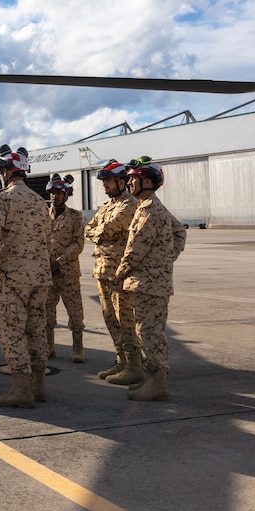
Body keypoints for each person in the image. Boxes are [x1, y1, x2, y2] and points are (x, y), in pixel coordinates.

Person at [0, 145, 52, 407]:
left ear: (8, 171)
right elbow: (48, 238)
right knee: (36, 329)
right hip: (40, 277)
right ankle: (39, 386)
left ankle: (22, 390)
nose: (0, 174)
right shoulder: (38, 201)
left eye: (1, 170)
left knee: (12, 330)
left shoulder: (2, 199)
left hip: (14, 277)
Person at [116, 157, 186, 401]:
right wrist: (165, 259)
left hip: (149, 283)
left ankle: (157, 385)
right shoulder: (147, 206)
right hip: (150, 281)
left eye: (134, 178)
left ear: (147, 181)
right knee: (147, 329)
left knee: (149, 332)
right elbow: (178, 232)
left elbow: (135, 248)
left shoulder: (149, 210)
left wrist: (120, 272)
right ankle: (153, 381)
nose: (130, 182)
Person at [84, 160, 142, 385]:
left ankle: (135, 366)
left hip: (120, 273)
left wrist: (99, 232)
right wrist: (99, 232)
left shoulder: (130, 205)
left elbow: (108, 228)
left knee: (125, 320)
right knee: (110, 319)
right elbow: (90, 229)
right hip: (102, 271)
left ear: (121, 181)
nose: (104, 185)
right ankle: (122, 361)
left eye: (107, 181)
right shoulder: (107, 205)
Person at [45, 173, 86, 363]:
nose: (54, 196)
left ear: (66, 195)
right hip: (47, 273)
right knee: (46, 311)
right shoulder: (43, 215)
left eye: (58, 193)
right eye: (52, 192)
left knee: (75, 311)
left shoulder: (76, 216)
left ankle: (77, 347)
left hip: (67, 273)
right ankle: (49, 346)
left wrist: (59, 261)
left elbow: (78, 244)